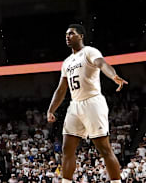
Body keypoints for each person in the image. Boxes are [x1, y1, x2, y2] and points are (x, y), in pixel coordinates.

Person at [47, 24, 129, 183]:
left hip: (92, 103)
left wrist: (113, 76)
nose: (67, 37)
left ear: (81, 36)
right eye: (66, 34)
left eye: (71, 34)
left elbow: (102, 64)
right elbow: (61, 88)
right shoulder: (67, 62)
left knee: (104, 149)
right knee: (67, 149)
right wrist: (51, 110)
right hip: (75, 105)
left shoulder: (90, 51)